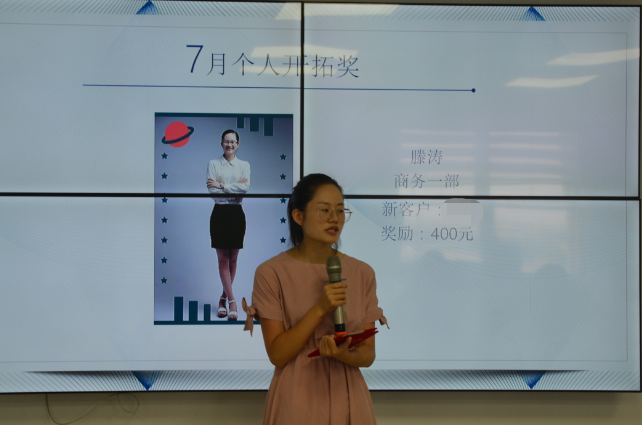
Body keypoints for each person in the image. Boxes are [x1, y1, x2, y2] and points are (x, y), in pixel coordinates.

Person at [243, 173, 387, 424]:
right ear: (298, 216)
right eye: (324, 210)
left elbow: (368, 354)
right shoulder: (271, 272)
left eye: (340, 211)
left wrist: (343, 354)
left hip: (349, 395)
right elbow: (277, 355)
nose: (334, 218)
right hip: (296, 398)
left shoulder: (362, 272)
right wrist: (320, 309)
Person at [206, 129, 250, 321]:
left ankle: (223, 298)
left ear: (238, 145)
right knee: (223, 259)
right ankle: (232, 301)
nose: (229, 144)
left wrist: (222, 185)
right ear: (221, 144)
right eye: (226, 141)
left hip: (236, 213)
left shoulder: (244, 165)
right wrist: (233, 188)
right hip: (219, 213)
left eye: (233, 142)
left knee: (233, 259)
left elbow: (244, 189)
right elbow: (212, 192)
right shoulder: (213, 164)